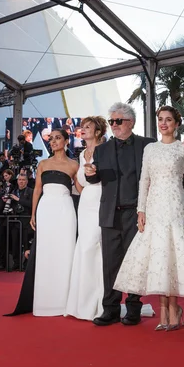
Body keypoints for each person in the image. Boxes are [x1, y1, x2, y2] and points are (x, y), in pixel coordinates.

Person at [113, 106, 184, 331]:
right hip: (153, 208)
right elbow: (144, 180)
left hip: (175, 206)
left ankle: (174, 309)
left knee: (172, 255)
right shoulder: (150, 149)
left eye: (168, 120)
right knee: (158, 257)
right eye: (160, 120)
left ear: (176, 123)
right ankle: (164, 311)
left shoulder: (182, 149)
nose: (163, 124)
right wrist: (141, 210)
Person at [85, 103, 155, 326]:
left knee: (135, 263)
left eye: (118, 121)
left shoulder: (147, 145)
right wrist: (90, 174)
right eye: (112, 121)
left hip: (136, 214)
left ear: (130, 122)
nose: (113, 125)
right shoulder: (102, 149)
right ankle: (111, 309)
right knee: (110, 264)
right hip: (110, 214)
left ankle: (134, 308)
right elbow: (96, 179)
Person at [30, 129, 79, 316]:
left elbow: (82, 189)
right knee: (46, 252)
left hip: (66, 210)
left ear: (66, 141)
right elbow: (36, 190)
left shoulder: (74, 165)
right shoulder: (42, 164)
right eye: (51, 139)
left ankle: (66, 301)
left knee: (66, 250)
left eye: (58, 138)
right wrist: (33, 213)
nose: (53, 141)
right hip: (46, 209)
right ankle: (45, 302)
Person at [65, 116, 107, 321]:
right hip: (86, 202)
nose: (83, 130)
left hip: (102, 201)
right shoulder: (82, 154)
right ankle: (82, 301)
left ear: (98, 131)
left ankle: (99, 301)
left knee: (94, 247)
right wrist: (85, 194)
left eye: (87, 127)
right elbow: (79, 183)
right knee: (84, 247)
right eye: (82, 127)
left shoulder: (105, 151)